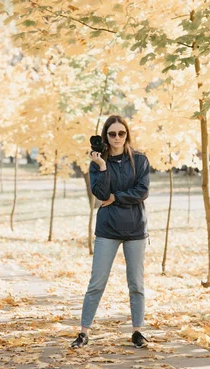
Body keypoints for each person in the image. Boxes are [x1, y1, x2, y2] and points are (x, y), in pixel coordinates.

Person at [71, 115, 151, 349]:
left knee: (136, 283)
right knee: (97, 283)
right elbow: (100, 194)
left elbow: (142, 192)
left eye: (121, 133)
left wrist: (116, 197)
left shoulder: (140, 160)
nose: (117, 138)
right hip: (107, 229)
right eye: (112, 134)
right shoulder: (98, 163)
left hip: (135, 228)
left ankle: (137, 331)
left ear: (127, 134)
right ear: (105, 136)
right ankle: (84, 332)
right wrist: (103, 167)